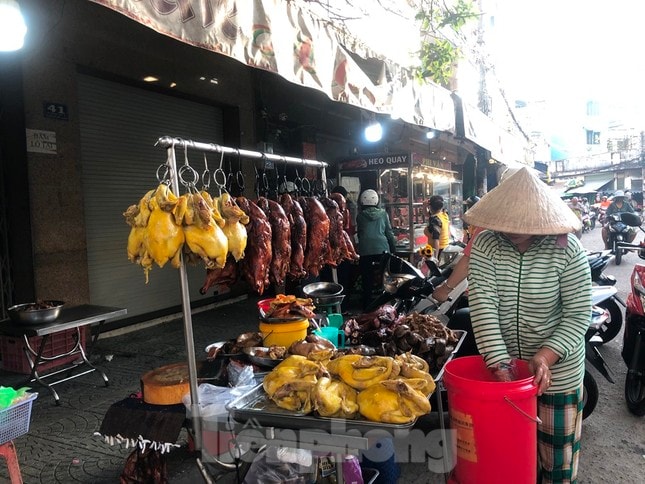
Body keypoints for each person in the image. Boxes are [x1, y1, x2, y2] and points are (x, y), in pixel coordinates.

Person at [462, 167, 591, 483]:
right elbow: (483, 307)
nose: (512, 228)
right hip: (505, 375)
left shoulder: (567, 249)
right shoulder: (486, 245)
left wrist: (545, 357)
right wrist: (504, 370)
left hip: (558, 374)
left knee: (555, 463)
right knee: (512, 458)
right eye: (506, 220)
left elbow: (577, 314)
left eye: (521, 220)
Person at [356, 189, 396, 310]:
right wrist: (393, 249)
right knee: (386, 277)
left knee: (366, 278)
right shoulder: (383, 214)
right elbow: (389, 233)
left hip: (365, 251)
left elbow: (360, 234)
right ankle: (387, 305)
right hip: (382, 249)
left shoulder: (360, 216)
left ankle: (367, 305)